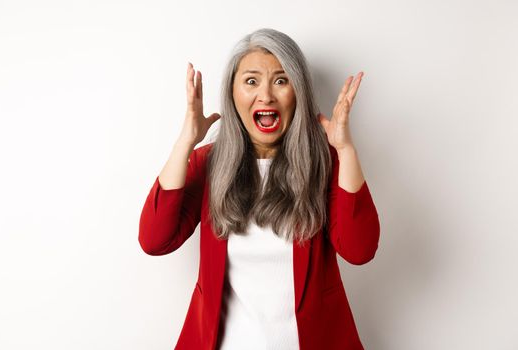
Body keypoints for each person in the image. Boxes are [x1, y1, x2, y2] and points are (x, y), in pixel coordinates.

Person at [139, 28, 380, 350]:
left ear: (300, 93)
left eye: (281, 80)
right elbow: (155, 241)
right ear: (233, 93)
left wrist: (345, 151)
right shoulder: (207, 163)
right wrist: (185, 142)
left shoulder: (326, 164)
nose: (265, 95)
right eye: (251, 81)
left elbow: (359, 250)